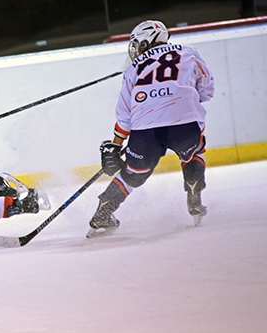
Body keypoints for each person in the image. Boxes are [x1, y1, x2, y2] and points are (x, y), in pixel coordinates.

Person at [88, 19, 215, 238]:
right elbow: (207, 90)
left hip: (145, 128)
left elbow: (124, 115)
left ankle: (104, 210)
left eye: (138, 43)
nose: (136, 48)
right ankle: (194, 191)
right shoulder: (188, 52)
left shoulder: (133, 68)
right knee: (194, 152)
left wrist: (115, 146)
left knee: (133, 173)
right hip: (184, 121)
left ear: (148, 40)